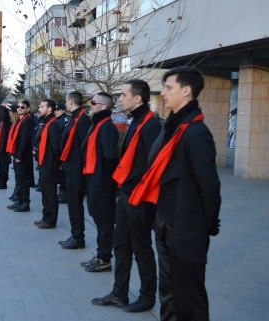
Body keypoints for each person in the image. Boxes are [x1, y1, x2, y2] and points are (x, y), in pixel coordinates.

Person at [130, 67, 221, 320]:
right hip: (166, 220)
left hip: (186, 226)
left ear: (187, 90)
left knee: (189, 297)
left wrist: (208, 225)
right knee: (168, 292)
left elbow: (210, 186)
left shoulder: (196, 132)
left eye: (169, 87)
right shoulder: (171, 128)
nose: (164, 92)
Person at [93, 79, 161, 312]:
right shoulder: (136, 121)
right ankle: (119, 293)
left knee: (141, 247)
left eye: (123, 94)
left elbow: (153, 166)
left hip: (140, 197)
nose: (120, 98)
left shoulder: (151, 125)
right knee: (121, 245)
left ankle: (146, 296)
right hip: (126, 194)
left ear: (138, 98)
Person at [80, 92, 119, 273]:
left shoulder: (107, 126)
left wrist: (104, 179)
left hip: (102, 181)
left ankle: (104, 258)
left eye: (94, 103)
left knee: (104, 220)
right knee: (98, 217)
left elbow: (110, 156)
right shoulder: (98, 124)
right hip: (94, 177)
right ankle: (100, 254)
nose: (91, 105)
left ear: (103, 106)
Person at [59, 91, 92, 250]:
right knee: (72, 204)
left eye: (66, 101)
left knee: (76, 204)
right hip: (70, 167)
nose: (65, 104)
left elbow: (83, 146)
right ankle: (75, 234)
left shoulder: (82, 119)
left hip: (77, 169)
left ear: (71, 101)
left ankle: (79, 237)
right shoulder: (76, 117)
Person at [33, 99, 63, 229]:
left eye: (42, 106)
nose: (39, 108)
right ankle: (45, 217)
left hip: (50, 164)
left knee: (50, 192)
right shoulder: (46, 122)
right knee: (45, 191)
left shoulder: (53, 124)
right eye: (39, 106)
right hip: (44, 162)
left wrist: (55, 165)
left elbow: (57, 147)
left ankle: (50, 220)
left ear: (50, 109)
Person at [6, 100, 36, 212]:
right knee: (18, 180)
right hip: (17, 154)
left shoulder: (27, 121)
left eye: (22, 107)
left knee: (23, 181)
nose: (19, 109)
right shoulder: (20, 119)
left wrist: (18, 156)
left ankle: (25, 203)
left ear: (28, 108)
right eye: (18, 107)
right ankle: (19, 201)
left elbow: (25, 141)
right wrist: (13, 154)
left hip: (23, 157)